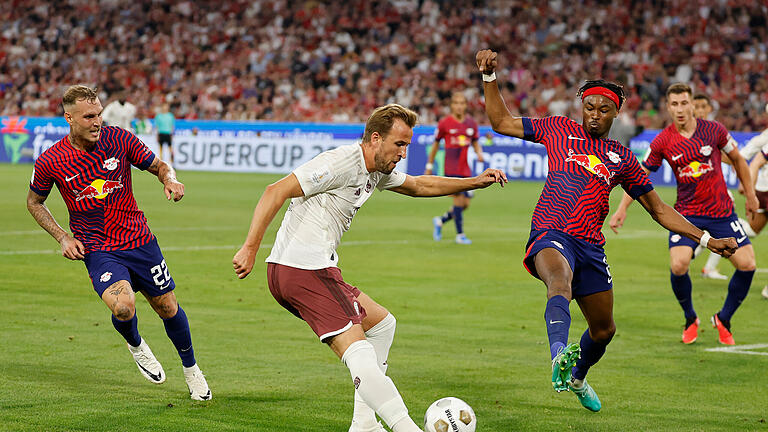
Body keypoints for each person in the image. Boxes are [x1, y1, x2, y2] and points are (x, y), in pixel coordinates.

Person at [476, 49, 737, 412]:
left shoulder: (622, 157)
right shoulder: (557, 128)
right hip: (551, 231)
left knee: (603, 330)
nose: (594, 115)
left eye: (603, 110)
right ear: (581, 107)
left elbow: (659, 209)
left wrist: (707, 240)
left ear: (616, 113)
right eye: (589, 108)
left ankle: (578, 377)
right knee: (559, 283)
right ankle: (558, 357)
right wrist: (489, 78)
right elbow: (501, 122)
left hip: (590, 245)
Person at [232, 104, 507, 432]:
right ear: (376, 139)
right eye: (400, 144)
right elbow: (275, 190)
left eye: (407, 145)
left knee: (382, 324)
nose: (403, 153)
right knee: (359, 351)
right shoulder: (341, 162)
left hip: (307, 270)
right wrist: (250, 248)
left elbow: (418, 185)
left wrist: (473, 183)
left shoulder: (376, 169)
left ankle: (364, 424)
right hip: (303, 269)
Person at [26, 85, 211, 401]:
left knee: (167, 306)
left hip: (140, 241)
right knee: (124, 308)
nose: (97, 121)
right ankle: (137, 344)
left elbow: (159, 166)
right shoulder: (51, 160)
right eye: (89, 116)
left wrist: (170, 180)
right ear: (69, 118)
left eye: (98, 114)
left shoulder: (119, 139)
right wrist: (62, 237)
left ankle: (192, 370)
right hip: (98, 248)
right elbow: (34, 202)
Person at [610, 83, 758, 346]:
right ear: (668, 107)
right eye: (674, 104)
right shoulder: (663, 140)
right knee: (678, 265)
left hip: (723, 213)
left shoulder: (714, 130)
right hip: (687, 215)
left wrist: (751, 194)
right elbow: (638, 176)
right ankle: (690, 318)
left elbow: (737, 159)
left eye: (684, 103)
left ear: (692, 104)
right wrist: (622, 209)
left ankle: (724, 318)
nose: (679, 109)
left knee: (747, 265)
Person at [425, 92, 485, 244]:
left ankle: (440, 221)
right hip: (451, 168)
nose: (459, 106)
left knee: (465, 204)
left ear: (466, 105)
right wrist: (429, 166)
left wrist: (479, 153)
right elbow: (435, 145)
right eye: (456, 103)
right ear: (452, 105)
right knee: (458, 201)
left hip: (466, 169)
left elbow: (476, 141)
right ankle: (460, 235)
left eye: (462, 103)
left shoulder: (471, 123)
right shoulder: (445, 123)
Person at [738, 104, 768, 299]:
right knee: (751, 229)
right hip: (765, 191)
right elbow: (755, 162)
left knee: (751, 230)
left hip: (763, 189)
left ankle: (719, 230)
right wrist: (751, 194)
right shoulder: (765, 137)